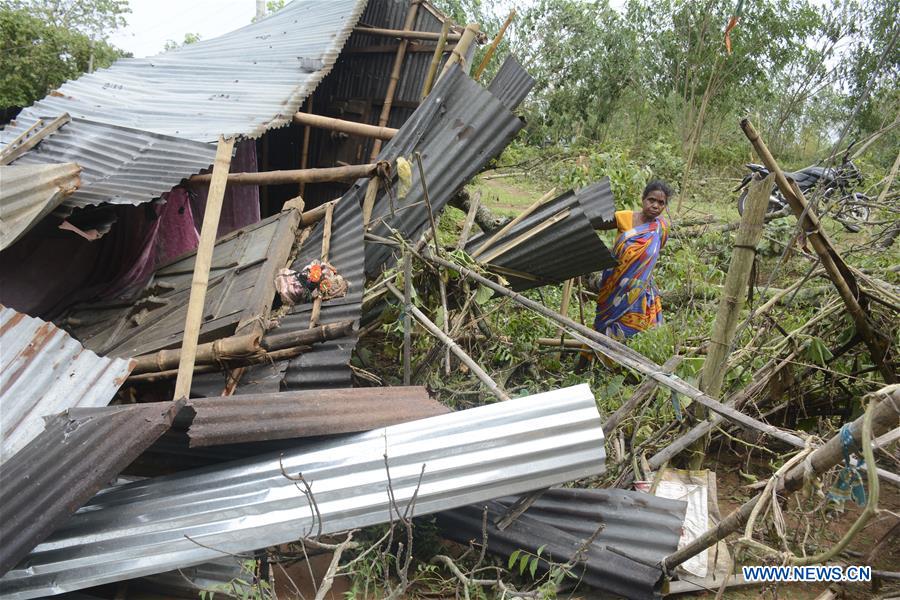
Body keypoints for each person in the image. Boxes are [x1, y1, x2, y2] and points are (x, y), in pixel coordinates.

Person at [593, 180, 672, 339]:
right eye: (651, 200)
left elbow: (652, 254)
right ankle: (589, 359)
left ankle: (622, 363)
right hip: (614, 287)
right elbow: (596, 223)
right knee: (604, 326)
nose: (655, 205)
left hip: (640, 292)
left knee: (635, 332)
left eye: (661, 203)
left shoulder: (662, 227)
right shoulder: (625, 217)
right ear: (643, 199)